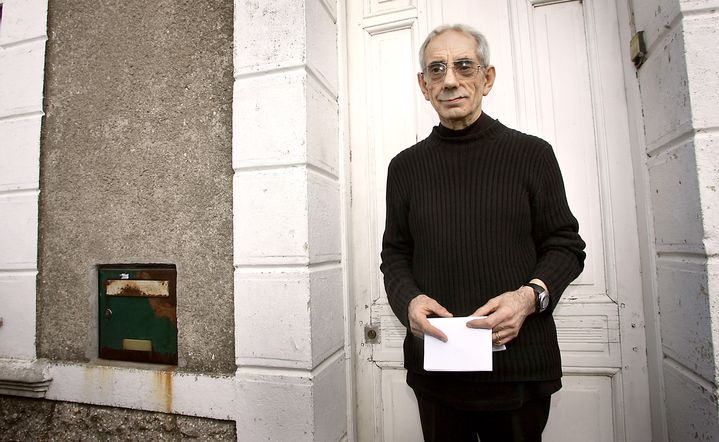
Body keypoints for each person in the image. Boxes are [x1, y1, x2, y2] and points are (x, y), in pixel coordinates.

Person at [380, 23, 586, 442]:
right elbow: (395, 254)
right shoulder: (404, 167)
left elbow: (566, 245)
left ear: (486, 78)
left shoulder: (532, 154)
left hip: (519, 371)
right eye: (436, 70)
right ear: (423, 85)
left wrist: (529, 298)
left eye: (463, 66)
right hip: (436, 371)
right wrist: (409, 302)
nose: (450, 80)